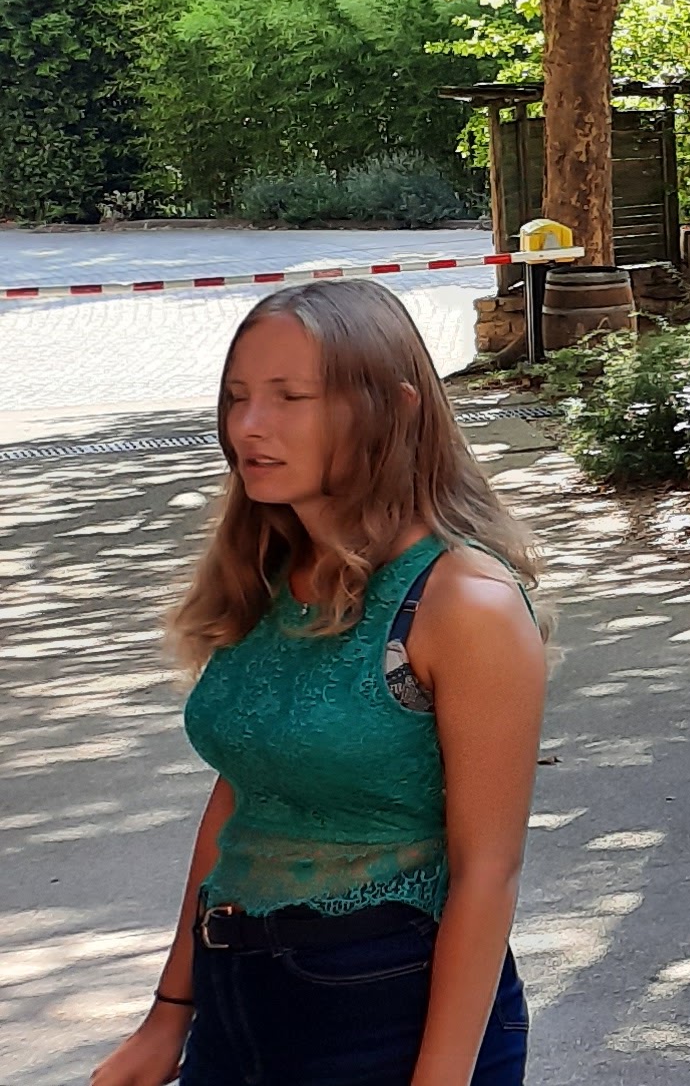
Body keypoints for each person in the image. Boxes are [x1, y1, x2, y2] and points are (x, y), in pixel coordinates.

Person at [92, 280, 551, 1086]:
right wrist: (170, 1015)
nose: (248, 426)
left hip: (386, 1007)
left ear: (394, 410)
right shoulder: (273, 571)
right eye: (237, 397)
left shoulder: (462, 601)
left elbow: (488, 871)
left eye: (290, 397)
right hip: (235, 996)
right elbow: (245, 794)